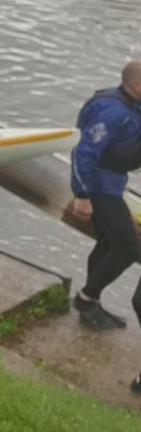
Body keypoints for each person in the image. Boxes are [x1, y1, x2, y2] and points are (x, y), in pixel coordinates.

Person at [69, 59, 141, 344]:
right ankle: (87, 299)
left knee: (108, 243)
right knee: (126, 248)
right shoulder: (112, 111)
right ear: (136, 85)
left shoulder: (130, 103)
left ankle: (91, 304)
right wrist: (83, 195)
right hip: (98, 188)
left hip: (112, 184)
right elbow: (83, 152)